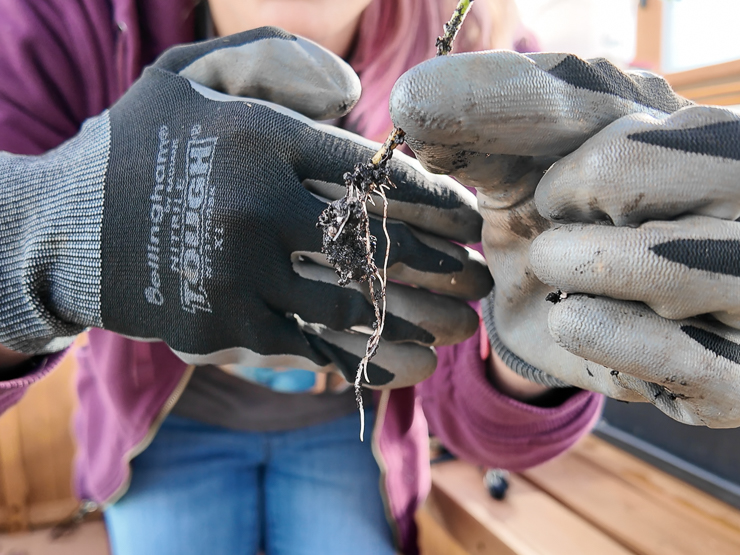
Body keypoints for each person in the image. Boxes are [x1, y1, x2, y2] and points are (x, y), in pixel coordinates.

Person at [0, 1, 605, 554]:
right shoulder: (59, 20)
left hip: (352, 429)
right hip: (162, 431)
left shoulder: (490, 54)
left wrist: (528, 354)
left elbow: (477, 408)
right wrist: (40, 234)